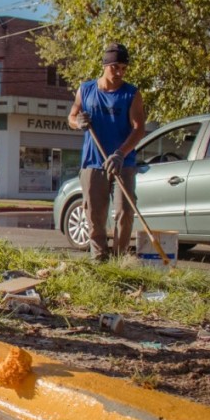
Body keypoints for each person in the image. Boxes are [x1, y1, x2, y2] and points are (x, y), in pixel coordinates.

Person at [67, 43, 146, 261]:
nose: (120, 72)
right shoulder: (86, 90)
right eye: (115, 67)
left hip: (123, 163)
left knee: (124, 212)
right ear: (105, 65)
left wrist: (121, 153)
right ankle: (99, 260)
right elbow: (72, 117)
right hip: (93, 162)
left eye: (124, 68)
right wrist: (78, 122)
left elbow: (139, 129)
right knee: (95, 214)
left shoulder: (131, 93)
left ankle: (119, 260)